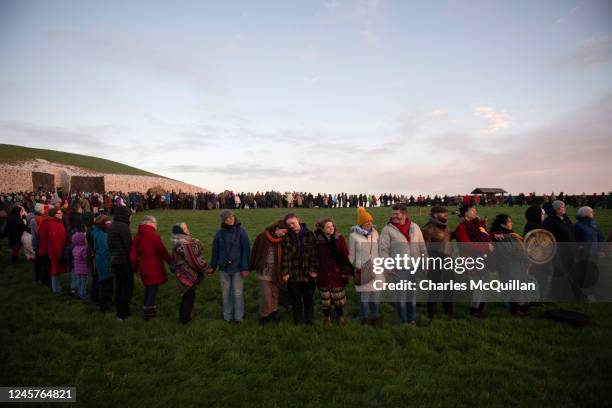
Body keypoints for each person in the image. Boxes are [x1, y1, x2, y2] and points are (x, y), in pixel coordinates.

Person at [379, 203, 427, 325]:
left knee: (412, 295)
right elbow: (383, 250)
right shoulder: (387, 229)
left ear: (404, 214)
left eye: (396, 213)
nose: (393, 216)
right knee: (401, 296)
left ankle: (412, 319)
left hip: (414, 267)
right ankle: (403, 320)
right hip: (399, 268)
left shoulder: (415, 227)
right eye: (392, 213)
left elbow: (422, 245)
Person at [210, 210, 250, 323]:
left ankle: (239, 317)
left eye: (232, 216)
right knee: (225, 294)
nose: (231, 219)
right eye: (228, 218)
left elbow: (246, 251)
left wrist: (245, 267)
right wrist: (212, 267)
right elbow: (215, 252)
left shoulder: (242, 232)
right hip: (224, 268)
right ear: (223, 220)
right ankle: (227, 316)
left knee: (237, 293)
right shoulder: (219, 234)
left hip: (238, 268)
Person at [454, 203, 493, 316]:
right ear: (465, 213)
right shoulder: (461, 228)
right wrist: (486, 247)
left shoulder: (478, 225)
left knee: (484, 285)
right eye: (472, 209)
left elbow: (487, 235)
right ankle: (474, 310)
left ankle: (480, 309)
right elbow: (466, 245)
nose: (475, 211)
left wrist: (492, 237)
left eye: (475, 209)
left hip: (483, 258)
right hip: (471, 260)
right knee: (479, 286)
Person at [280, 213, 319, 325]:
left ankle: (309, 320)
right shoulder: (287, 236)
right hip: (293, 273)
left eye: (293, 223)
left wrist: (314, 270)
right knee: (296, 299)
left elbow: (315, 254)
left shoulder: (309, 234)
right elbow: (285, 256)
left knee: (308, 298)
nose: (291, 226)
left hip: (308, 273)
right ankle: (297, 320)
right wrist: (285, 272)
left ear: (298, 220)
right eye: (289, 224)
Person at [171, 222, 213, 324]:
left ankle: (184, 316)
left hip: (181, 273)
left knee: (186, 296)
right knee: (188, 297)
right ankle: (184, 319)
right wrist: (206, 269)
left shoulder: (178, 241)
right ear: (181, 231)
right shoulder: (185, 244)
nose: (187, 230)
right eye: (185, 229)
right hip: (187, 275)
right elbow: (194, 261)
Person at [130, 215, 171, 319]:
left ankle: (146, 307)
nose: (156, 226)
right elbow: (162, 251)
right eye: (155, 224)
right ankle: (149, 312)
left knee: (148, 288)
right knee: (152, 289)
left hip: (143, 266)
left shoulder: (137, 236)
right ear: (150, 223)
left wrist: (135, 267)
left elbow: (133, 255)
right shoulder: (153, 236)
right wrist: (171, 262)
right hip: (154, 267)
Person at [249, 220, 289, 325]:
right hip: (264, 271)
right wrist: (250, 267)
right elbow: (255, 251)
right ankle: (264, 316)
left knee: (275, 294)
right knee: (266, 296)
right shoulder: (262, 237)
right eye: (283, 231)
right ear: (276, 229)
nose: (284, 234)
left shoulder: (282, 240)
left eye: (285, 233)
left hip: (276, 272)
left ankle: (273, 313)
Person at [315, 217, 353, 326]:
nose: (331, 228)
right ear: (322, 229)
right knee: (325, 298)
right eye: (328, 227)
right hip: (322, 272)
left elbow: (345, 255)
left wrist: (346, 271)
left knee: (338, 297)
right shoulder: (318, 240)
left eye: (332, 226)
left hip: (336, 272)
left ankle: (340, 316)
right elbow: (315, 256)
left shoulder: (339, 238)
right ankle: (327, 318)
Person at [490, 214, 529, 316]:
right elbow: (507, 253)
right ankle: (514, 310)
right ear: (503, 225)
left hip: (517, 264)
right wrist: (522, 253)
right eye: (509, 222)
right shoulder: (499, 237)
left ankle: (519, 306)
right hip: (508, 265)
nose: (511, 223)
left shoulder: (512, 235)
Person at [348, 207, 382, 327]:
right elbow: (351, 255)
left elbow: (380, 250)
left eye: (370, 221)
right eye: (366, 221)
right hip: (362, 270)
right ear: (361, 223)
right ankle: (364, 319)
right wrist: (354, 267)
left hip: (377, 269)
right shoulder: (353, 236)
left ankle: (375, 317)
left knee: (376, 298)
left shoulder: (376, 233)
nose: (369, 223)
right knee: (364, 299)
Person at [543, 200, 579, 301]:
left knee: (570, 272)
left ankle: (569, 294)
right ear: (557, 209)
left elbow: (571, 232)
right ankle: (557, 295)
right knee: (560, 273)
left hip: (570, 250)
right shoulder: (549, 221)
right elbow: (549, 237)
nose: (564, 208)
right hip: (559, 251)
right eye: (563, 207)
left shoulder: (566, 218)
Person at [422, 206, 454, 318]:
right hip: (435, 262)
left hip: (448, 260)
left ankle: (448, 311)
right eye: (443, 214)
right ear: (435, 215)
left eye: (446, 213)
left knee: (449, 287)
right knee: (435, 288)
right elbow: (424, 248)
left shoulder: (445, 226)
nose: (446, 215)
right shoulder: (428, 229)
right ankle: (431, 313)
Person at [108, 206, 134, 320]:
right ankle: (123, 313)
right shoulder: (123, 227)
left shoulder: (112, 226)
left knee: (119, 286)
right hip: (123, 261)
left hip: (114, 259)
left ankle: (120, 310)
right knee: (127, 286)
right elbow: (128, 246)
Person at [39, 208, 67, 294]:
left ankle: (54, 286)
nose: (61, 214)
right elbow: (54, 240)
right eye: (59, 213)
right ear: (54, 214)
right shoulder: (53, 224)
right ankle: (56, 289)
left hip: (50, 249)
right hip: (54, 250)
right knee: (55, 269)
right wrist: (60, 253)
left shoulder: (50, 222)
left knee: (54, 269)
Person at [92, 215, 113, 312]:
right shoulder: (103, 236)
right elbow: (105, 251)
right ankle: (105, 306)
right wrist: (109, 265)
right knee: (106, 285)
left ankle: (103, 303)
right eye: (108, 223)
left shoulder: (97, 232)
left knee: (103, 283)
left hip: (99, 261)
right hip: (104, 263)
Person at [71, 228, 89, 300]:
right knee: (84, 282)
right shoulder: (84, 249)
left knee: (79, 280)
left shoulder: (75, 248)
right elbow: (85, 258)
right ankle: (82, 294)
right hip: (84, 269)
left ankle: (79, 291)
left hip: (77, 269)